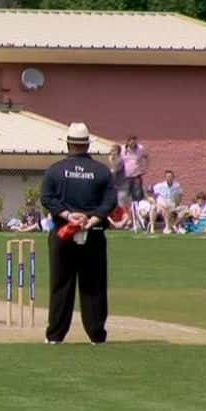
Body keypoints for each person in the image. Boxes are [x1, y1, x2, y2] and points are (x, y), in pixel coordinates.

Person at [41, 122, 117, 344]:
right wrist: (91, 220)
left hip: (63, 233)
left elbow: (47, 198)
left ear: (68, 143)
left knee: (61, 284)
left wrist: (68, 216)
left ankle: (55, 335)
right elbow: (110, 201)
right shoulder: (101, 171)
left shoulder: (55, 170)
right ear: (87, 145)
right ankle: (96, 335)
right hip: (92, 234)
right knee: (93, 285)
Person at [119, 136, 148, 229]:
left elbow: (146, 157)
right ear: (128, 142)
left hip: (136, 177)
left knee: (137, 199)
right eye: (131, 142)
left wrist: (145, 168)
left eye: (134, 142)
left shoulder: (140, 149)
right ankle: (129, 218)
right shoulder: (122, 149)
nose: (133, 144)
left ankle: (139, 220)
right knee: (124, 199)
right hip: (125, 177)